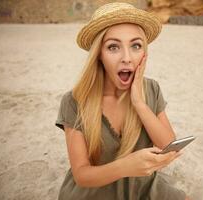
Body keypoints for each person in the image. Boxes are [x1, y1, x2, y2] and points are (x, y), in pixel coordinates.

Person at [55, 2, 190, 200]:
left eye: (136, 46)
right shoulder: (74, 100)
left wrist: (139, 104)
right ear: (98, 55)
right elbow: (82, 175)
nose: (127, 58)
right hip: (95, 191)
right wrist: (125, 166)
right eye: (113, 47)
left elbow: (168, 145)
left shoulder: (151, 88)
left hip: (142, 186)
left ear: (144, 53)